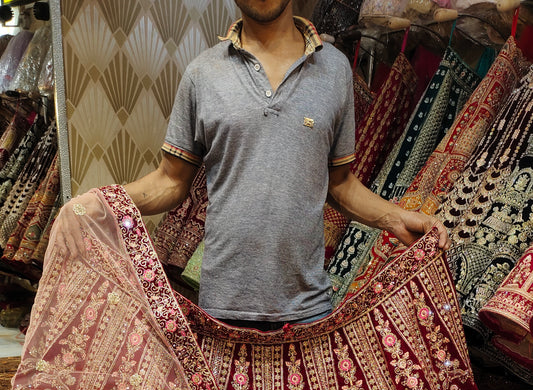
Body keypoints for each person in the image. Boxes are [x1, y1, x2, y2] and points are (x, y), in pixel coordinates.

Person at [124, 0, 449, 329]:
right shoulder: (202, 74)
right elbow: (170, 181)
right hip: (222, 312)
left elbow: (339, 184)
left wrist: (396, 218)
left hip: (309, 311)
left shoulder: (335, 71)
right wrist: (102, 201)